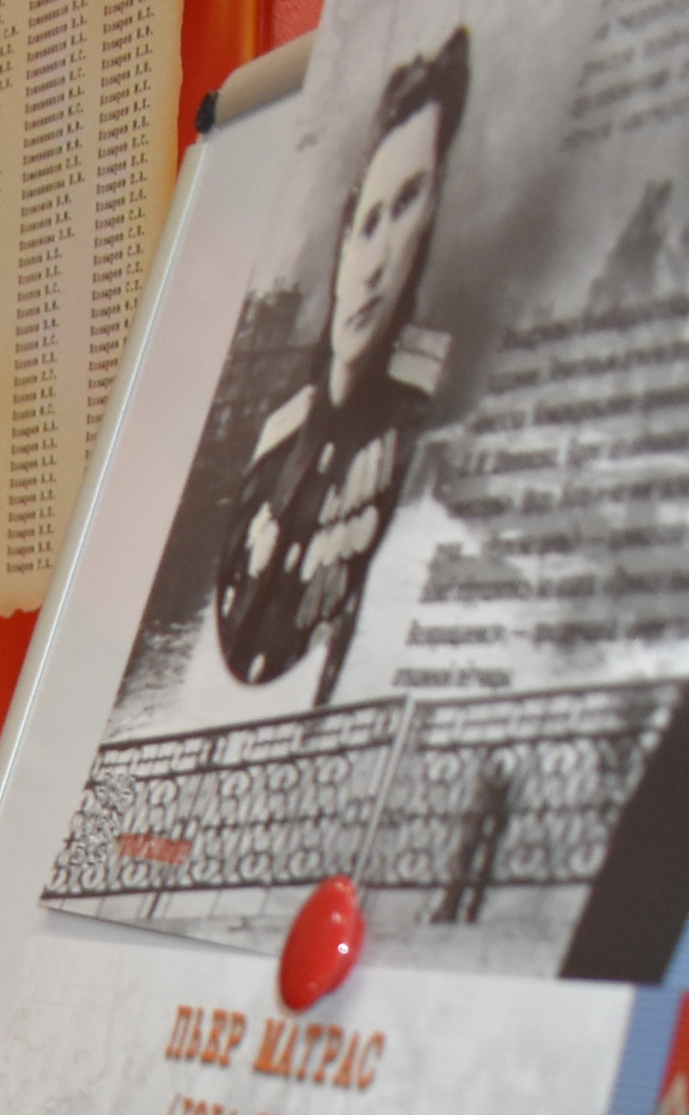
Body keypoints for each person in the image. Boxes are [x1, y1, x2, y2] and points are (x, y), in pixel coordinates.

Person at [207, 25, 467, 706]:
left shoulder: (424, 423)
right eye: (368, 222)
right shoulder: (277, 438)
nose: (376, 261)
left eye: (407, 206)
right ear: (346, 240)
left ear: (432, 218)